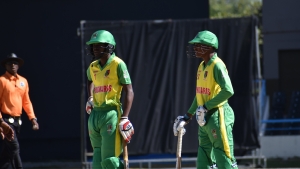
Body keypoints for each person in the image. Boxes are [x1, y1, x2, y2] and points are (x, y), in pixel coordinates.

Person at [173, 30, 238, 169]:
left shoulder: (217, 65)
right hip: (203, 117)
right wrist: (187, 116)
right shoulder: (201, 67)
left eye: (198, 44)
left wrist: (206, 107)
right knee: (203, 160)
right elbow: (199, 95)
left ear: (209, 46)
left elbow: (228, 90)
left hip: (218, 115)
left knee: (223, 158)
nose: (195, 48)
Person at [85, 30, 134, 169]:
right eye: (93, 46)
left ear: (109, 46)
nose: (94, 48)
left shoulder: (118, 64)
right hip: (95, 114)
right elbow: (90, 80)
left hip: (111, 113)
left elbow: (129, 91)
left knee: (109, 161)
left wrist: (125, 117)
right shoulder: (93, 66)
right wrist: (90, 97)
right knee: (97, 161)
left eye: (98, 45)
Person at [0, 53, 39, 169]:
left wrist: (33, 119)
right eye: (9, 62)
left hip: (18, 122)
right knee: (15, 148)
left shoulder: (23, 81)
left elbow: (26, 101)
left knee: (6, 154)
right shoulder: (2, 80)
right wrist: (1, 122)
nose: (12, 64)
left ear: (18, 65)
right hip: (6, 121)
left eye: (15, 62)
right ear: (5, 65)